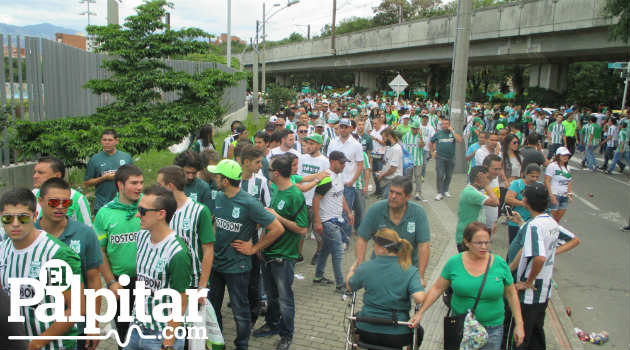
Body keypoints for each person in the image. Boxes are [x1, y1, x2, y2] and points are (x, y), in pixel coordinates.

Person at [207, 159, 284, 350]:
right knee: (213, 307)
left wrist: (254, 248)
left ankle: (241, 345)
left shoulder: (249, 203)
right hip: (216, 264)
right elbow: (217, 223)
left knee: (240, 311)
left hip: (237, 267)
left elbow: (277, 228)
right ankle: (218, 342)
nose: (215, 178)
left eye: (217, 175)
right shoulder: (219, 196)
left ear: (225, 180)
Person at [413, 222, 525, 350]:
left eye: (487, 242)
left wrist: (519, 324)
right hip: (461, 327)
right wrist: (421, 312)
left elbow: (511, 294)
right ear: (467, 242)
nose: (484, 247)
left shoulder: (499, 264)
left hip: (492, 329)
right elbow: (437, 288)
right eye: (479, 243)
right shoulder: (454, 262)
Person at [0, 188, 82, 350]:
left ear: (35, 216)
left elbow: (75, 308)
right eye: (8, 218)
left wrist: (37, 343)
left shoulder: (54, 254)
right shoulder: (3, 249)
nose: (15, 224)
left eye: (23, 218)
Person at [506, 183, 580, 350]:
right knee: (536, 333)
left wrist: (527, 281)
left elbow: (538, 257)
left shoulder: (535, 226)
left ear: (526, 201)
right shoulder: (550, 222)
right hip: (544, 290)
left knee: (520, 335)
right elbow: (574, 240)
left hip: (528, 293)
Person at [34, 178, 103, 349]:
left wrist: (93, 324)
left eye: (66, 202)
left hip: (77, 328)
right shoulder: (29, 234)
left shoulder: (85, 234)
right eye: (54, 202)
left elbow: (94, 280)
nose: (60, 207)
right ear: (40, 201)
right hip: (38, 328)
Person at [251, 155, 309, 350]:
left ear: (276, 173)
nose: (267, 173)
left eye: (269, 171)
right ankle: (272, 324)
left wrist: (278, 217)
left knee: (285, 299)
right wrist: (261, 244)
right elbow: (270, 223)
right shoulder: (276, 190)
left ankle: (286, 335)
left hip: (284, 257)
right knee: (272, 295)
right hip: (268, 254)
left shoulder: (295, 195)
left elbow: (302, 229)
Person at [125, 185, 193, 350]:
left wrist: (167, 344)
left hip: (160, 336)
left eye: (142, 211)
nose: (137, 215)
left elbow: (181, 301)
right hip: (136, 328)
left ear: (161, 214)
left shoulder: (177, 253)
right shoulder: (141, 236)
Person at [345, 228, 426, 350]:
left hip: (367, 331)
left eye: (375, 245)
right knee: (419, 332)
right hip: (398, 333)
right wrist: (416, 285)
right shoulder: (409, 270)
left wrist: (351, 271)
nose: (373, 248)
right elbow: (419, 298)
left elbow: (349, 286)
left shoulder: (366, 267)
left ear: (383, 248)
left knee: (355, 325)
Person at [95, 164, 143, 349]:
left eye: (141, 182)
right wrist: (111, 282)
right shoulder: (105, 213)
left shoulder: (148, 207)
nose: (139, 187)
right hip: (120, 284)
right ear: (120, 185)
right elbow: (100, 251)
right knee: (124, 334)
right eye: (134, 183)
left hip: (148, 282)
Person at [354, 176, 431, 287]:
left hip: (406, 271)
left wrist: (421, 276)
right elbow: (362, 239)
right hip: (379, 270)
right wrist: (360, 267)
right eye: (391, 192)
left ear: (408, 197)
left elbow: (423, 246)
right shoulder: (375, 210)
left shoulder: (418, 213)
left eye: (398, 194)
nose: (393, 196)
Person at [156, 166, 215, 292]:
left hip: (192, 283)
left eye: (159, 185)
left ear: (170, 186)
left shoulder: (199, 211)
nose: (157, 189)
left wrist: (203, 285)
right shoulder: (160, 211)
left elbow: (208, 249)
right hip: (165, 281)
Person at [312, 151, 354, 294]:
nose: (343, 165)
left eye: (344, 163)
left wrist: (348, 212)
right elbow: (316, 199)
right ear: (332, 161)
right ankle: (340, 284)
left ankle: (318, 276)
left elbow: (340, 195)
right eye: (341, 162)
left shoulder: (339, 176)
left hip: (337, 219)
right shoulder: (326, 178)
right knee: (338, 251)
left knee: (325, 249)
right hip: (327, 222)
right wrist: (317, 221)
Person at [327, 118, 364, 248]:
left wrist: (352, 181)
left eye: (345, 127)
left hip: (348, 185)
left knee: (345, 213)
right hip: (334, 183)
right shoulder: (332, 142)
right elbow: (329, 161)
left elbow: (360, 164)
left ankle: (344, 239)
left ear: (350, 128)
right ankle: (335, 238)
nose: (343, 129)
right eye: (341, 127)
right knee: (333, 211)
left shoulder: (356, 145)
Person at [32, 156, 92, 226]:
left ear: (57, 175)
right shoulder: (34, 194)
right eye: (35, 172)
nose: (35, 176)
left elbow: (87, 230)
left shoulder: (77, 198)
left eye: (40, 173)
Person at [298, 134, 330, 265]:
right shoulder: (302, 158)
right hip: (302, 200)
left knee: (318, 232)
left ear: (319, 145)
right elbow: (298, 176)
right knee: (300, 230)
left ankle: (319, 252)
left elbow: (327, 182)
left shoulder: (324, 161)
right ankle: (298, 254)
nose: (309, 146)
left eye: (312, 143)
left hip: (316, 201)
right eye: (308, 143)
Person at [84, 129, 134, 214]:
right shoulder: (94, 159)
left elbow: (134, 178)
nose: (107, 142)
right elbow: (87, 183)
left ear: (116, 141)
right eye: (104, 140)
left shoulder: (126, 157)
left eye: (110, 140)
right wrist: (103, 178)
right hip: (102, 204)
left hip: (123, 204)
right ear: (101, 141)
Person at [455, 166, 499, 252]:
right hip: (469, 239)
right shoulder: (471, 192)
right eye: (486, 178)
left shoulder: (473, 191)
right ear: (478, 178)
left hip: (473, 237)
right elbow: (495, 202)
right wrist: (486, 185)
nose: (488, 181)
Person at [505, 164, 541, 243]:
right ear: (526, 174)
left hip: (532, 222)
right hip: (516, 221)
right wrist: (524, 204)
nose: (534, 179)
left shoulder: (540, 186)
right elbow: (508, 199)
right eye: (532, 176)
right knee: (514, 245)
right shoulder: (517, 184)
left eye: (537, 177)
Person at [430, 118, 462, 200]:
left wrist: (453, 131)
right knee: (440, 175)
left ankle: (445, 190)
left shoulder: (452, 133)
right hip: (440, 158)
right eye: (443, 124)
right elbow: (431, 142)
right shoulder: (438, 133)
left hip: (451, 158)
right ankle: (439, 192)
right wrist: (432, 151)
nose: (444, 125)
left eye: (446, 124)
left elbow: (459, 140)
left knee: (448, 175)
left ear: (449, 125)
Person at [545, 147, 573, 223]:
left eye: (567, 155)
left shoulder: (568, 168)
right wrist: (551, 195)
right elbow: (547, 181)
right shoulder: (552, 166)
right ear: (558, 156)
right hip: (555, 195)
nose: (566, 157)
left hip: (564, 196)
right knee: (550, 220)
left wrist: (569, 194)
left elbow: (569, 181)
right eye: (563, 155)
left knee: (557, 220)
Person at [377, 128, 404, 198]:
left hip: (393, 181)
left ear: (390, 137)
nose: (383, 141)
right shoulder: (389, 147)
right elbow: (387, 162)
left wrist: (382, 175)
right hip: (387, 179)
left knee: (388, 201)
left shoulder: (396, 149)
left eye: (384, 138)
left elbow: (393, 168)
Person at [403, 120, 425, 201]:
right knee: (408, 177)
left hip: (418, 160)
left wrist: (421, 136)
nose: (413, 130)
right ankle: (408, 192)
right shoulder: (407, 135)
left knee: (418, 177)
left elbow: (422, 145)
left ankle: (418, 193)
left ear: (418, 129)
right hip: (409, 161)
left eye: (415, 128)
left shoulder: (420, 136)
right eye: (412, 128)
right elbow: (404, 147)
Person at [370, 115, 387, 197]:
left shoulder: (384, 130)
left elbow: (385, 143)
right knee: (374, 174)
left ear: (380, 123)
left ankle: (383, 192)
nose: (374, 125)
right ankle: (378, 190)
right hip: (374, 155)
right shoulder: (374, 130)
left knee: (381, 174)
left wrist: (375, 139)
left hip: (381, 155)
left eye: (376, 123)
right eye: (373, 124)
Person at [419, 114, 436, 181]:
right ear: (422, 119)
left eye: (426, 118)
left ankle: (422, 176)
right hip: (418, 148)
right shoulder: (418, 126)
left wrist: (433, 149)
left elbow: (433, 138)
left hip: (426, 148)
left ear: (428, 119)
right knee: (418, 163)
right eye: (423, 118)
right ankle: (417, 176)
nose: (424, 119)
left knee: (424, 164)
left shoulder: (430, 128)